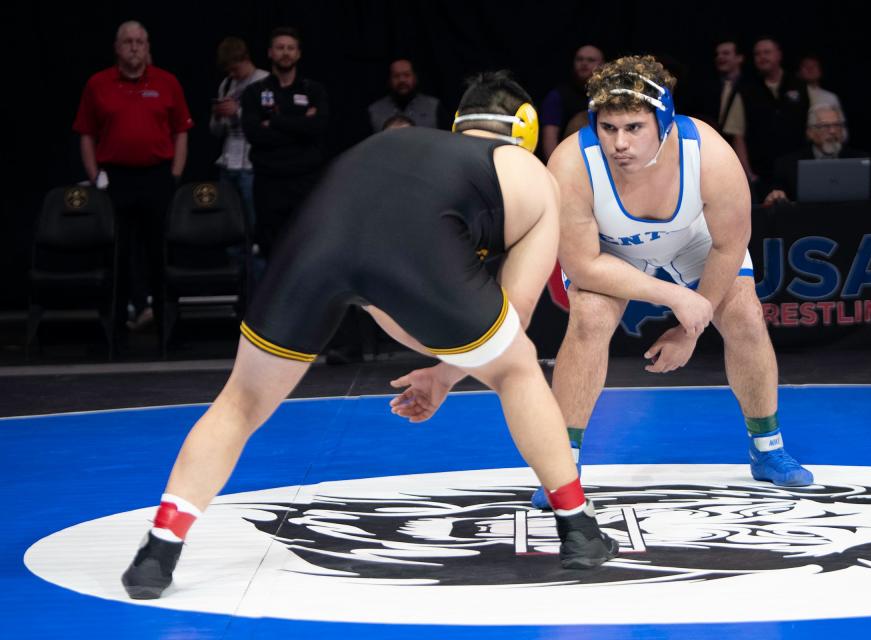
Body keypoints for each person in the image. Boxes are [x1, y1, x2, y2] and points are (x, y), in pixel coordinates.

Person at [121, 71, 618, 600]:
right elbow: (511, 318)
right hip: (411, 262)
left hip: (316, 242)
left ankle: (158, 551)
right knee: (518, 364)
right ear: (523, 128)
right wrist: (448, 374)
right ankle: (578, 528)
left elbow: (372, 281)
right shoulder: (530, 173)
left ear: (457, 123)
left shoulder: (398, 142)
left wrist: (444, 358)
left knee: (240, 400)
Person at [391, 56, 814, 509]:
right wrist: (675, 299)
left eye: (633, 127)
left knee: (746, 314)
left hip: (693, 243)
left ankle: (767, 447)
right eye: (608, 128)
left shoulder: (708, 153)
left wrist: (691, 326)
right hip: (611, 253)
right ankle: (563, 464)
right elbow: (587, 265)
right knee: (589, 318)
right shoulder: (573, 161)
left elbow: (730, 246)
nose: (619, 143)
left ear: (665, 121)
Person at [73, 20, 193, 334]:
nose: (134, 47)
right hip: (115, 179)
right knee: (117, 254)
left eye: (140, 41)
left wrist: (175, 174)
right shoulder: (98, 84)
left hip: (157, 177)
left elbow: (181, 130)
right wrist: (95, 175)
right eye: (128, 41)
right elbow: (86, 134)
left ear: (148, 46)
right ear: (117, 48)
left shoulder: (167, 82)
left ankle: (167, 327)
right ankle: (115, 327)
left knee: (160, 252)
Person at [241, 27, 329, 260]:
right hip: (269, 184)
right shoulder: (254, 92)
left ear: (298, 54)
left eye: (291, 48)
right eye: (280, 48)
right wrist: (300, 124)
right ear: (270, 53)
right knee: (271, 251)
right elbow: (255, 134)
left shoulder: (313, 90)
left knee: (307, 246)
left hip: (305, 182)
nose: (285, 53)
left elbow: (318, 129)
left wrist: (275, 121)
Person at [724, 37, 809, 192]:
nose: (762, 57)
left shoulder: (799, 85)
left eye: (767, 52)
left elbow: (813, 125)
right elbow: (737, 134)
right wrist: (748, 174)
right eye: (757, 54)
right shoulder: (746, 89)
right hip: (762, 174)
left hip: (797, 170)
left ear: (779, 55)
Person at [210, 37, 269, 233]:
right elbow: (215, 132)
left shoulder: (265, 82)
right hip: (227, 164)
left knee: (253, 223)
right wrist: (218, 116)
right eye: (228, 70)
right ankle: (232, 263)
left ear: (246, 59)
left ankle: (255, 263)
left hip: (251, 166)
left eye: (235, 69)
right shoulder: (226, 84)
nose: (232, 74)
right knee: (229, 224)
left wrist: (238, 111)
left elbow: (268, 125)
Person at [763, 104, 869, 204]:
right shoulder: (788, 165)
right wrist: (777, 196)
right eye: (824, 126)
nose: (832, 131)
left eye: (837, 125)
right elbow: (777, 197)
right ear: (810, 132)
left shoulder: (860, 161)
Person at [540, 45, 605, 160]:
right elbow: (549, 140)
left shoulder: (610, 96)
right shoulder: (557, 96)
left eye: (590, 60)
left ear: (603, 65)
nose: (584, 63)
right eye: (580, 59)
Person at [367, 59, 447, 132]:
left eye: (407, 75)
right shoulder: (374, 111)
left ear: (415, 77)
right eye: (396, 76)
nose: (402, 80)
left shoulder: (434, 106)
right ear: (389, 80)